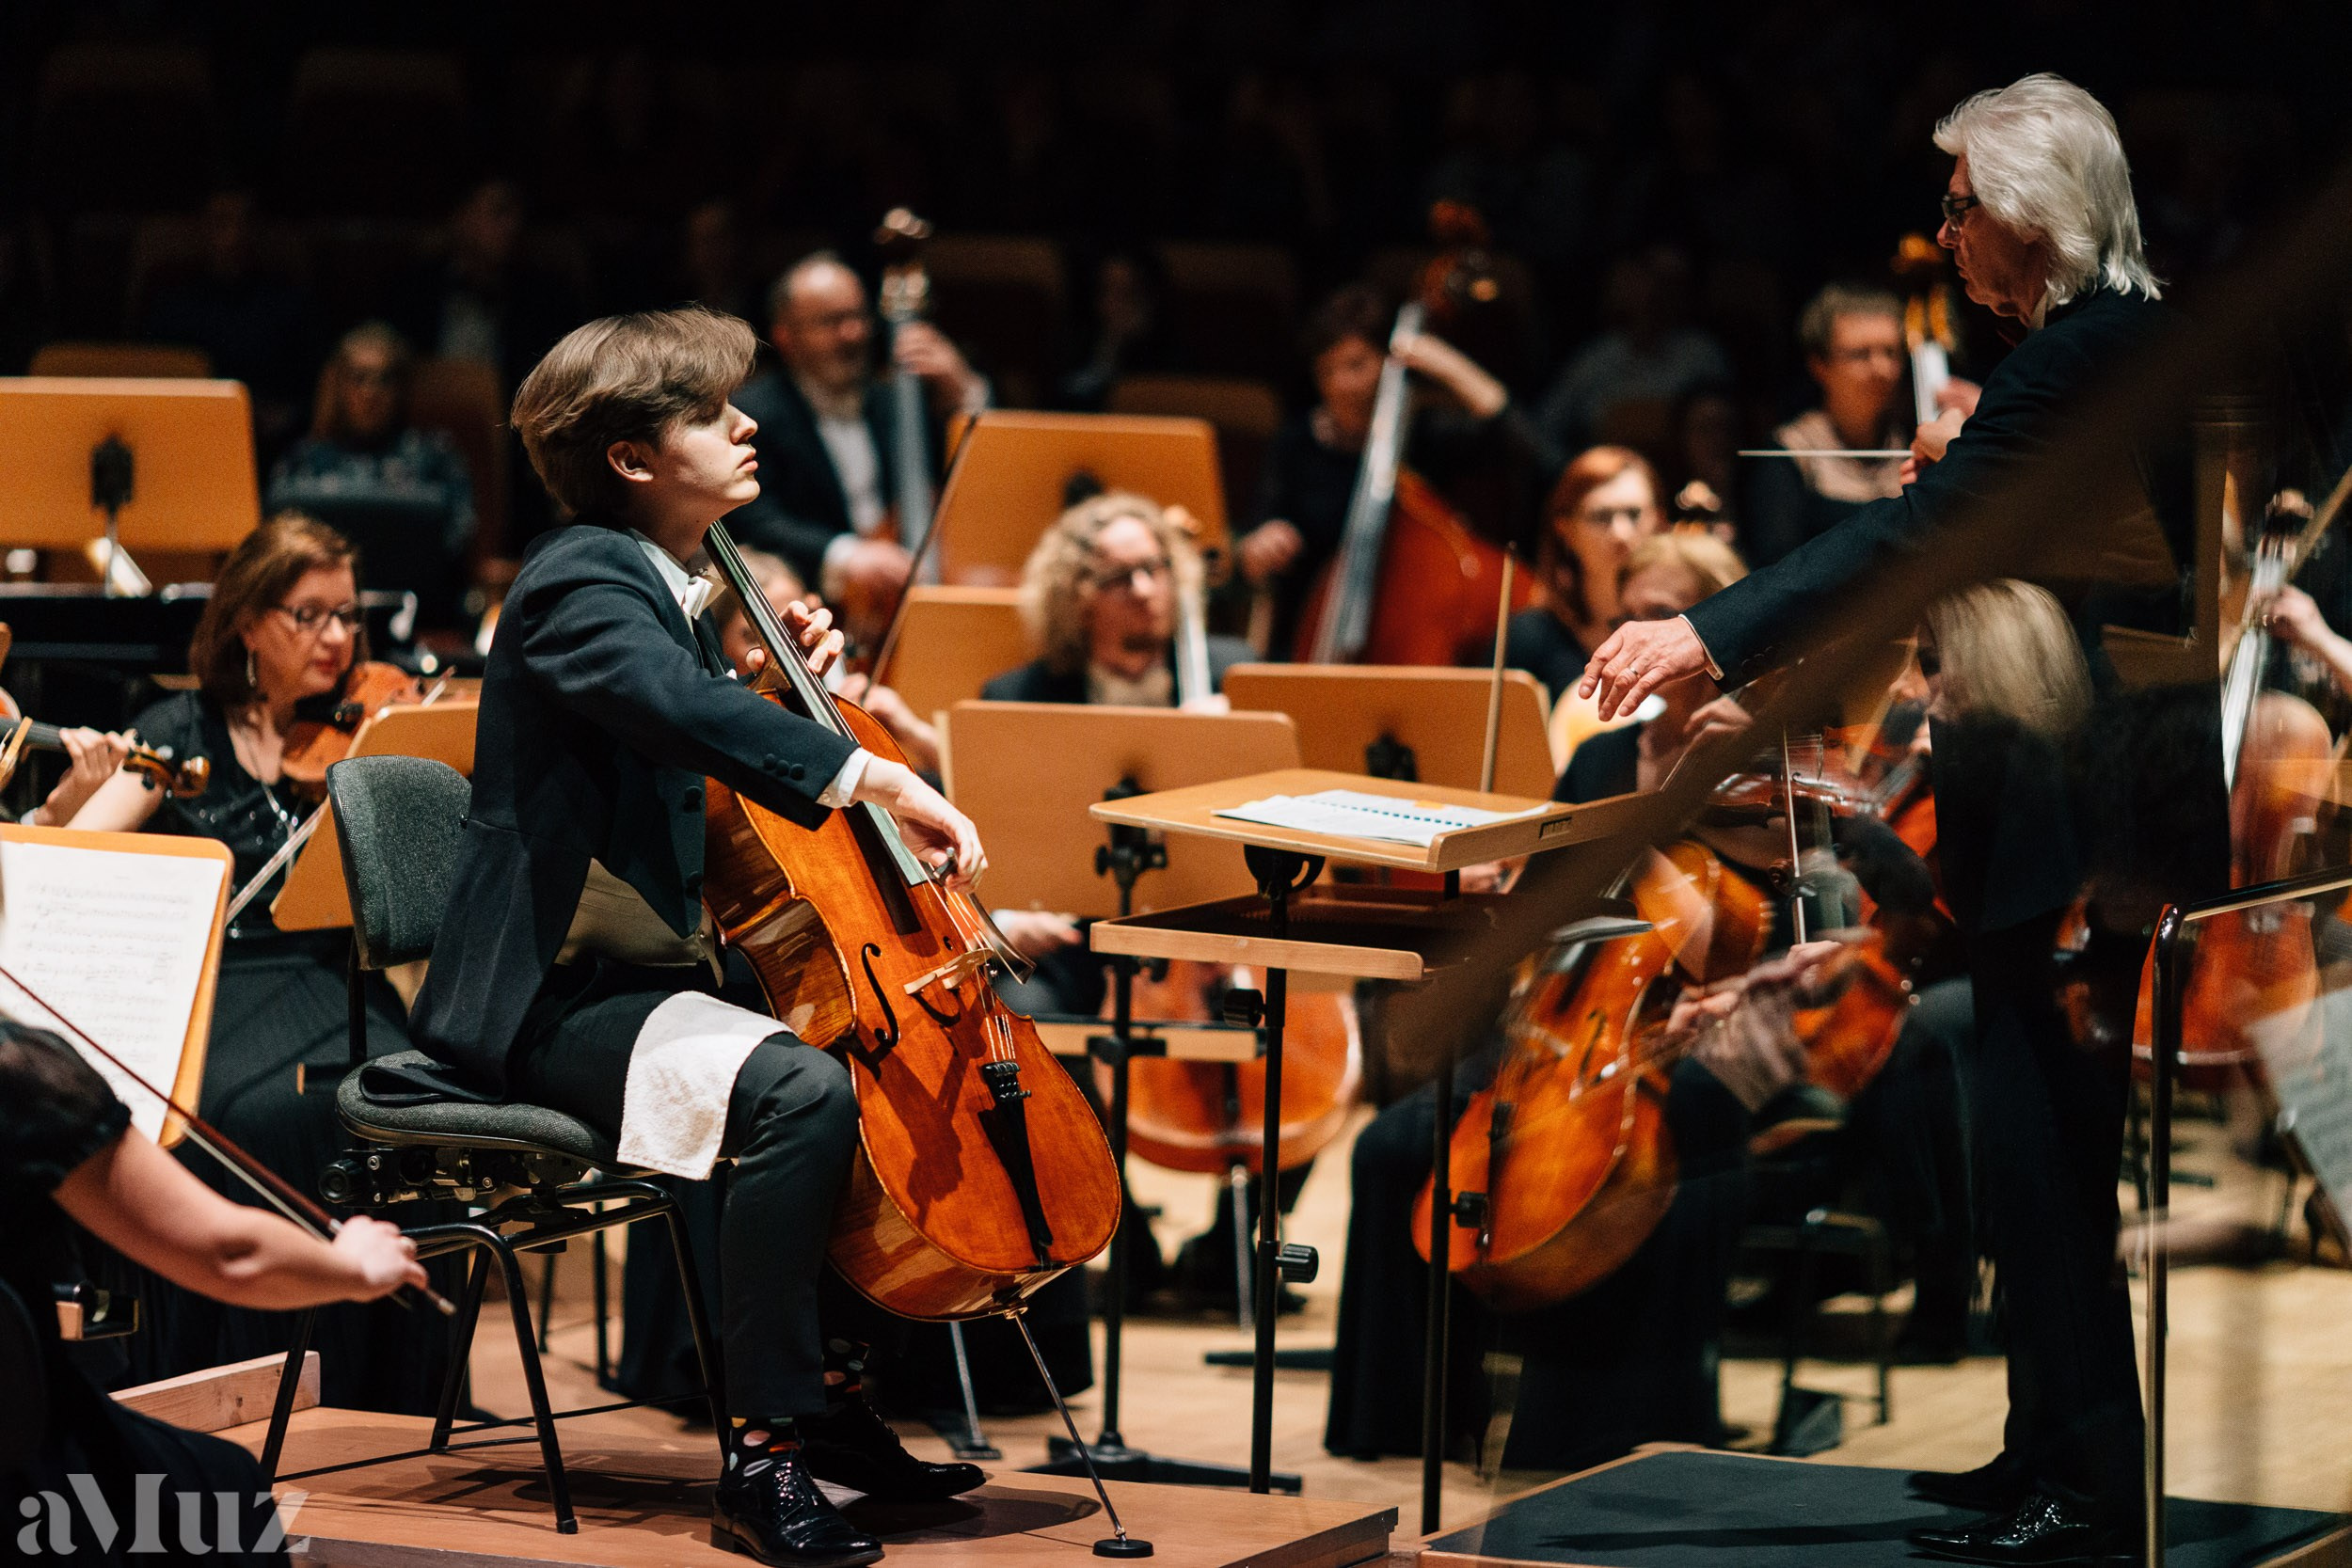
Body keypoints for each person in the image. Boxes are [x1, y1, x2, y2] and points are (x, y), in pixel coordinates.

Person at [1581, 75, 2212, 1565]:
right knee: (2022, 1154)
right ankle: (2046, 1445)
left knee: (2046, 1162)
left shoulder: (2087, 365)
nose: (1943, 238)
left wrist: (1709, 634)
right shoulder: (2105, 354)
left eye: (1961, 209)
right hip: (2061, 814)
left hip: (2084, 828)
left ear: (2038, 214)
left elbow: (1917, 536)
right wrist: (1766, 703)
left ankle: (2085, 1491)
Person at [389, 306, 989, 1568]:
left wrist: (777, 690)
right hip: (547, 999)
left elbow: (683, 748)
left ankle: (826, 1402)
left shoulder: (665, 587)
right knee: (799, 1091)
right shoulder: (572, 577)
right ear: (630, 458)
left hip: (639, 979)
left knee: (854, 1084)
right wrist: (869, 770)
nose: (746, 424)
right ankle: (764, 1450)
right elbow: (665, 704)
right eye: (712, 412)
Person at [62, 515, 453, 1418]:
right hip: (216, 987)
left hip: (332, 980)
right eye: (309, 614)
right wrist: (76, 789)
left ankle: (393, 1389)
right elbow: (80, 850)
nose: (338, 638)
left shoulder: (373, 729)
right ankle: (251, 1385)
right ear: (247, 621)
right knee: (258, 1112)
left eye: (348, 616)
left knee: (400, 1092)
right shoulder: (177, 733)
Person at [0, 1019, 424, 1562]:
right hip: (21, 1463)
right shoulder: (20, 1074)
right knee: (228, 1492)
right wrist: (355, 1267)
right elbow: (231, 1255)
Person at [1235, 283, 1564, 656]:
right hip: (1308, 643)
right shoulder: (1296, 444)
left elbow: (1534, 455)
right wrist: (1257, 546)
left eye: (1356, 365)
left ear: (1387, 363)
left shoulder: (1425, 436)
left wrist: (1448, 366)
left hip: (1411, 642)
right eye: (1327, 371)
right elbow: (1249, 541)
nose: (1341, 384)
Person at [725, 253, 989, 623]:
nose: (853, 333)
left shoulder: (896, 401)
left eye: (859, 317)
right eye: (832, 322)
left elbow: (980, 472)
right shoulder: (753, 413)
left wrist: (965, 390)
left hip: (901, 598)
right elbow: (752, 519)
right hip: (807, 604)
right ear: (786, 336)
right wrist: (846, 555)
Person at [265, 323, 477, 627]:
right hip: (317, 622)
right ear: (339, 386)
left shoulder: (436, 459)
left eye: (383, 379)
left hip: (421, 620)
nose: (370, 392)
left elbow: (456, 545)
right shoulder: (305, 460)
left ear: (401, 388)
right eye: (359, 378)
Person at [982, 490, 1253, 709]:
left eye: (1152, 568)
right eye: (1120, 577)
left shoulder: (1237, 678)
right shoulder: (1018, 700)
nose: (1143, 590)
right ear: (1076, 600)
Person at [136, 188, 319, 459]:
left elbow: (315, 390)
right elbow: (148, 388)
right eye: (222, 222)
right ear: (202, 229)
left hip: (270, 447)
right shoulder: (172, 306)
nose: (234, 237)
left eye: (244, 223)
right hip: (186, 441)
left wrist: (285, 415)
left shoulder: (290, 304)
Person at [1742, 284, 1913, 566]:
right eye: (1860, 354)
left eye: (1891, 353)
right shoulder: (1788, 454)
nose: (1881, 370)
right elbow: (1777, 568)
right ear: (1819, 365)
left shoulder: (1914, 441)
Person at [1504, 446, 1665, 709]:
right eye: (1602, 516)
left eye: (1634, 514)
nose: (1621, 533)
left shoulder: (1686, 627)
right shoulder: (1529, 637)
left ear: (1658, 522)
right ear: (1565, 530)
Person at [1534, 246, 1733, 455]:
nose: (1658, 293)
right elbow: (1544, 431)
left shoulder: (1703, 357)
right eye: (1651, 278)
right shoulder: (1595, 360)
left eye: (1672, 283)